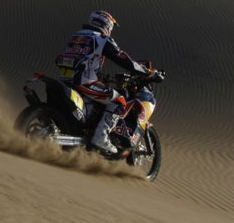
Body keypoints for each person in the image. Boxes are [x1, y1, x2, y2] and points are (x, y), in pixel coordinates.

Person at [55, 10, 163, 154]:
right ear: (106, 25)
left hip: (65, 79)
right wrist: (147, 72)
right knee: (119, 101)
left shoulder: (78, 36)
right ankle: (101, 137)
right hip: (84, 82)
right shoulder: (102, 39)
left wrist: (100, 75)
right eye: (110, 26)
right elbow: (123, 59)